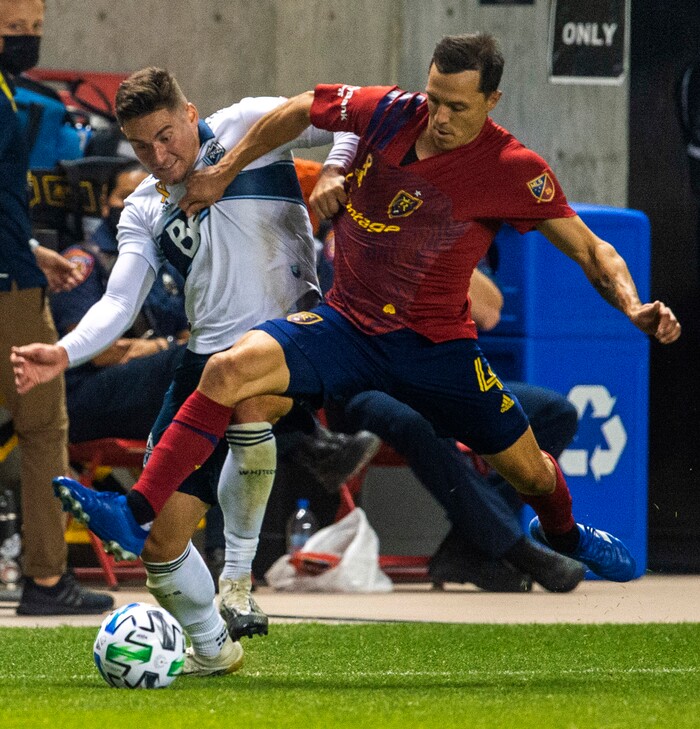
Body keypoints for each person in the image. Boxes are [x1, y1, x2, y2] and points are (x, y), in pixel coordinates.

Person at [38, 32, 682, 587]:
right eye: (434, 99)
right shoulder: (388, 113)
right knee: (225, 371)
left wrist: (633, 306)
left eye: (458, 106)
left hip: (438, 350)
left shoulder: (512, 169)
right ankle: (139, 510)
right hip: (347, 325)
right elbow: (296, 111)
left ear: (492, 101)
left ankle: (565, 537)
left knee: (532, 472)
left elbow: (595, 252)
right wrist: (228, 170)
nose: (440, 117)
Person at [11, 67, 375, 674]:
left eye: (166, 136)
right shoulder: (145, 209)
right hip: (205, 361)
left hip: (296, 337)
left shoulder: (245, 124)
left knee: (250, 389)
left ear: (190, 111)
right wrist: (64, 352)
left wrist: (336, 169)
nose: (158, 156)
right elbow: (119, 302)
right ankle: (212, 649)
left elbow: (349, 113)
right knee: (159, 545)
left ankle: (237, 577)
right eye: (141, 146)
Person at [325, 264, 584, 592]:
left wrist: (436, 246)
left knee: (554, 412)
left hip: (437, 375)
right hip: (364, 380)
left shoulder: (448, 231)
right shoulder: (350, 232)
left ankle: (465, 548)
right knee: (420, 420)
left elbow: (488, 313)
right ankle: (517, 549)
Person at [0, 0, 114, 616]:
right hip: (9, 293)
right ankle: (46, 580)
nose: (27, 41)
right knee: (44, 429)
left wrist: (34, 251)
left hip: (16, 270)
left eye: (35, 30)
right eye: (14, 30)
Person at [50, 159, 189, 445]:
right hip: (84, 397)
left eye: (147, 197)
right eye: (125, 197)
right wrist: (166, 346)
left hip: (147, 388)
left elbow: (193, 332)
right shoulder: (82, 261)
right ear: (105, 203)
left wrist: (157, 347)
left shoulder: (170, 264)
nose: (134, 206)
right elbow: (96, 351)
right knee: (192, 362)